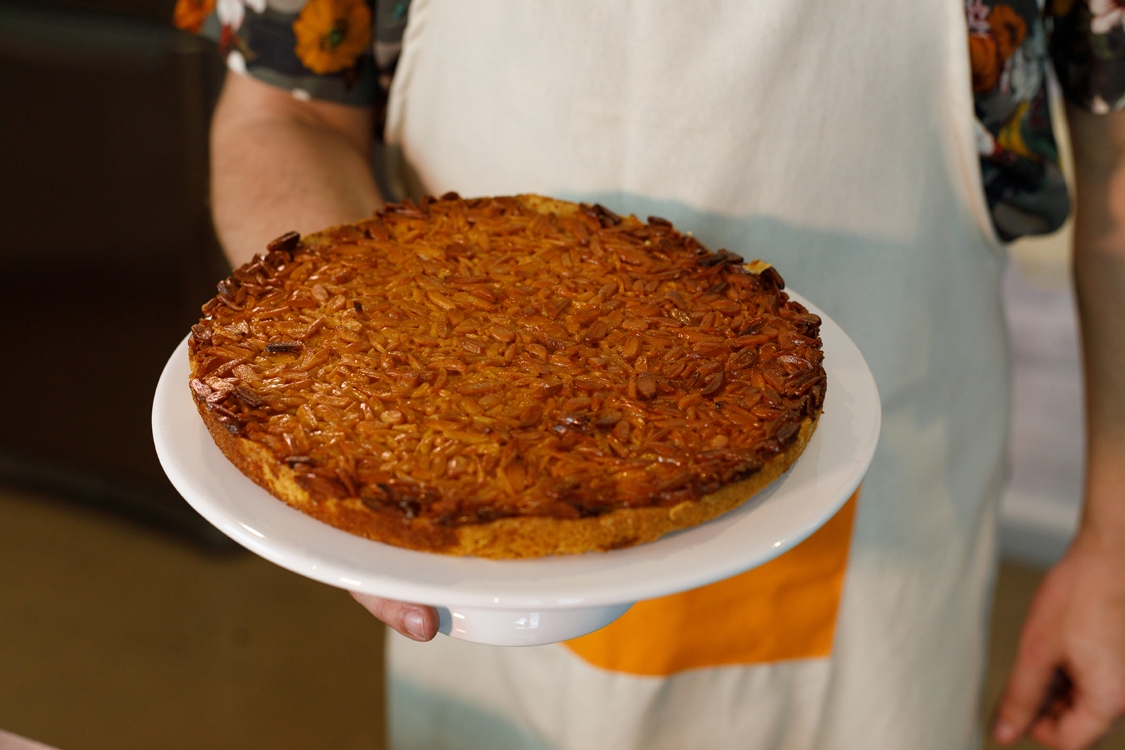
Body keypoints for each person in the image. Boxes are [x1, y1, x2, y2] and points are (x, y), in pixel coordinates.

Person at [176, 0, 1125, 747]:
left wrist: (1115, 539)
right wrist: (357, 413)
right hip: (464, 513)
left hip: (875, 542)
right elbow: (285, 110)